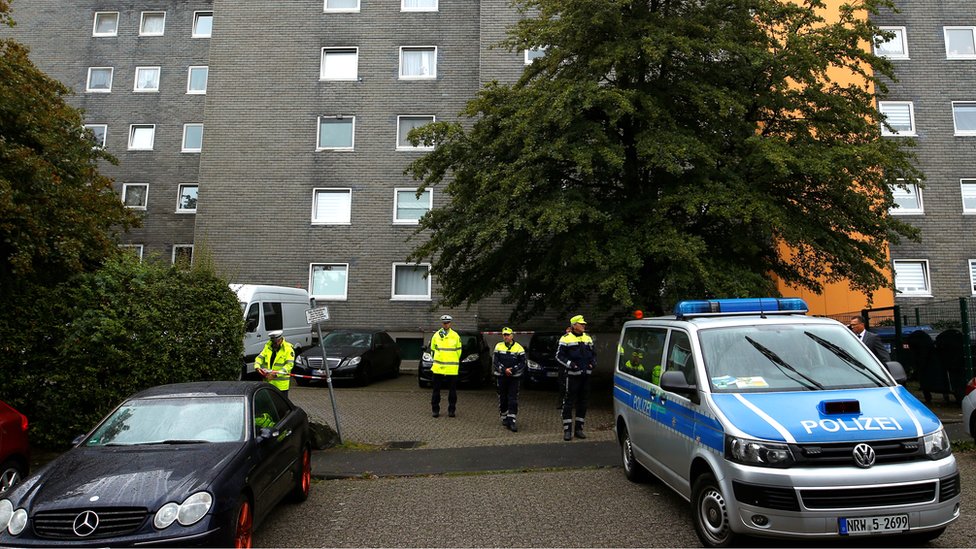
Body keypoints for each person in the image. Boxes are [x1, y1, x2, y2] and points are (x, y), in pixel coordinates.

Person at [556, 315, 597, 441]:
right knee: (568, 402)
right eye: (581, 324)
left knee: (583, 402)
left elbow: (593, 354)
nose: (584, 325)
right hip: (572, 377)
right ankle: (567, 430)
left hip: (585, 376)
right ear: (574, 325)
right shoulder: (566, 339)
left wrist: (593, 363)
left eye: (584, 324)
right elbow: (559, 356)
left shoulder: (587, 338)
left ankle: (579, 429)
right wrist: (571, 365)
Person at [493, 327, 527, 432]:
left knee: (513, 399)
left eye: (508, 335)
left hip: (514, 378)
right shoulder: (498, 346)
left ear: (512, 335)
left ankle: (512, 420)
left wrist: (513, 370)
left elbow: (523, 363)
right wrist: (504, 370)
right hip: (501, 376)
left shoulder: (519, 348)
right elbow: (495, 361)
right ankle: (504, 417)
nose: (506, 337)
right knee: (503, 398)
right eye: (504, 335)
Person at [430, 314, 462, 418]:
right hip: (438, 367)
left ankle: (451, 410)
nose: (446, 324)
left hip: (452, 368)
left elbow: (459, 351)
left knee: (452, 391)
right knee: (436, 391)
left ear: (450, 323)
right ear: (442, 323)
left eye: (447, 323)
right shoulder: (436, 335)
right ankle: (435, 410)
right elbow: (432, 350)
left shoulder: (455, 336)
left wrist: (451, 360)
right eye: (444, 323)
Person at [255, 330, 295, 399]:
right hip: (268, 383)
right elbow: (259, 358)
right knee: (269, 406)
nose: (274, 344)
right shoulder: (268, 347)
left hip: (281, 386)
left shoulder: (288, 349)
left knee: (281, 407)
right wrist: (257, 367)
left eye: (276, 342)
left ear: (280, 340)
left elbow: (289, 365)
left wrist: (276, 374)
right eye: (273, 342)